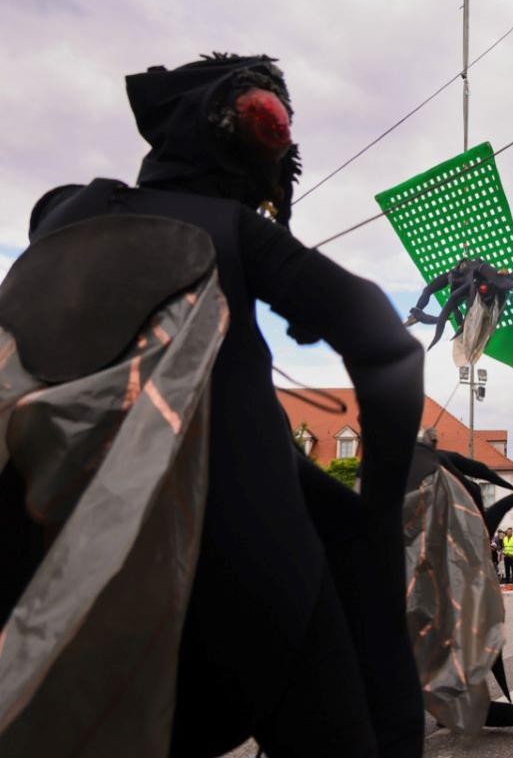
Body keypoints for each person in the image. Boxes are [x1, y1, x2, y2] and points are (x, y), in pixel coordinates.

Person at [1, 54, 425, 756]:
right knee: (348, 561)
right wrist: (380, 511)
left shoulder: (64, 216)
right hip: (246, 573)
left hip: (53, 571)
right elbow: (387, 345)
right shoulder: (233, 228)